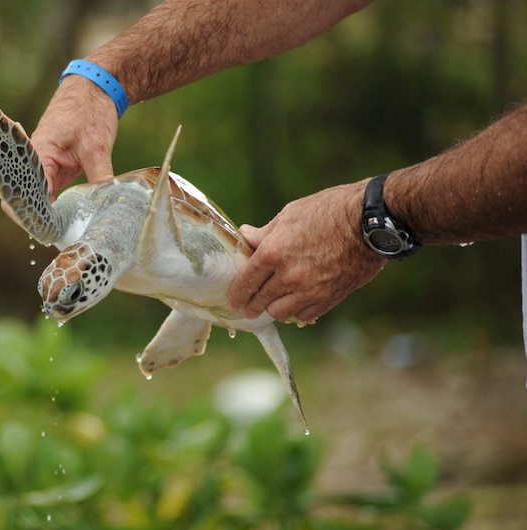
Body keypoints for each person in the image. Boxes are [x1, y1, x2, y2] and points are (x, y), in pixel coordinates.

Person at [28, 0, 527, 326]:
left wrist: (377, 216)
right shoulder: (66, 226)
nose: (59, 313)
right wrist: (106, 76)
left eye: (69, 297)